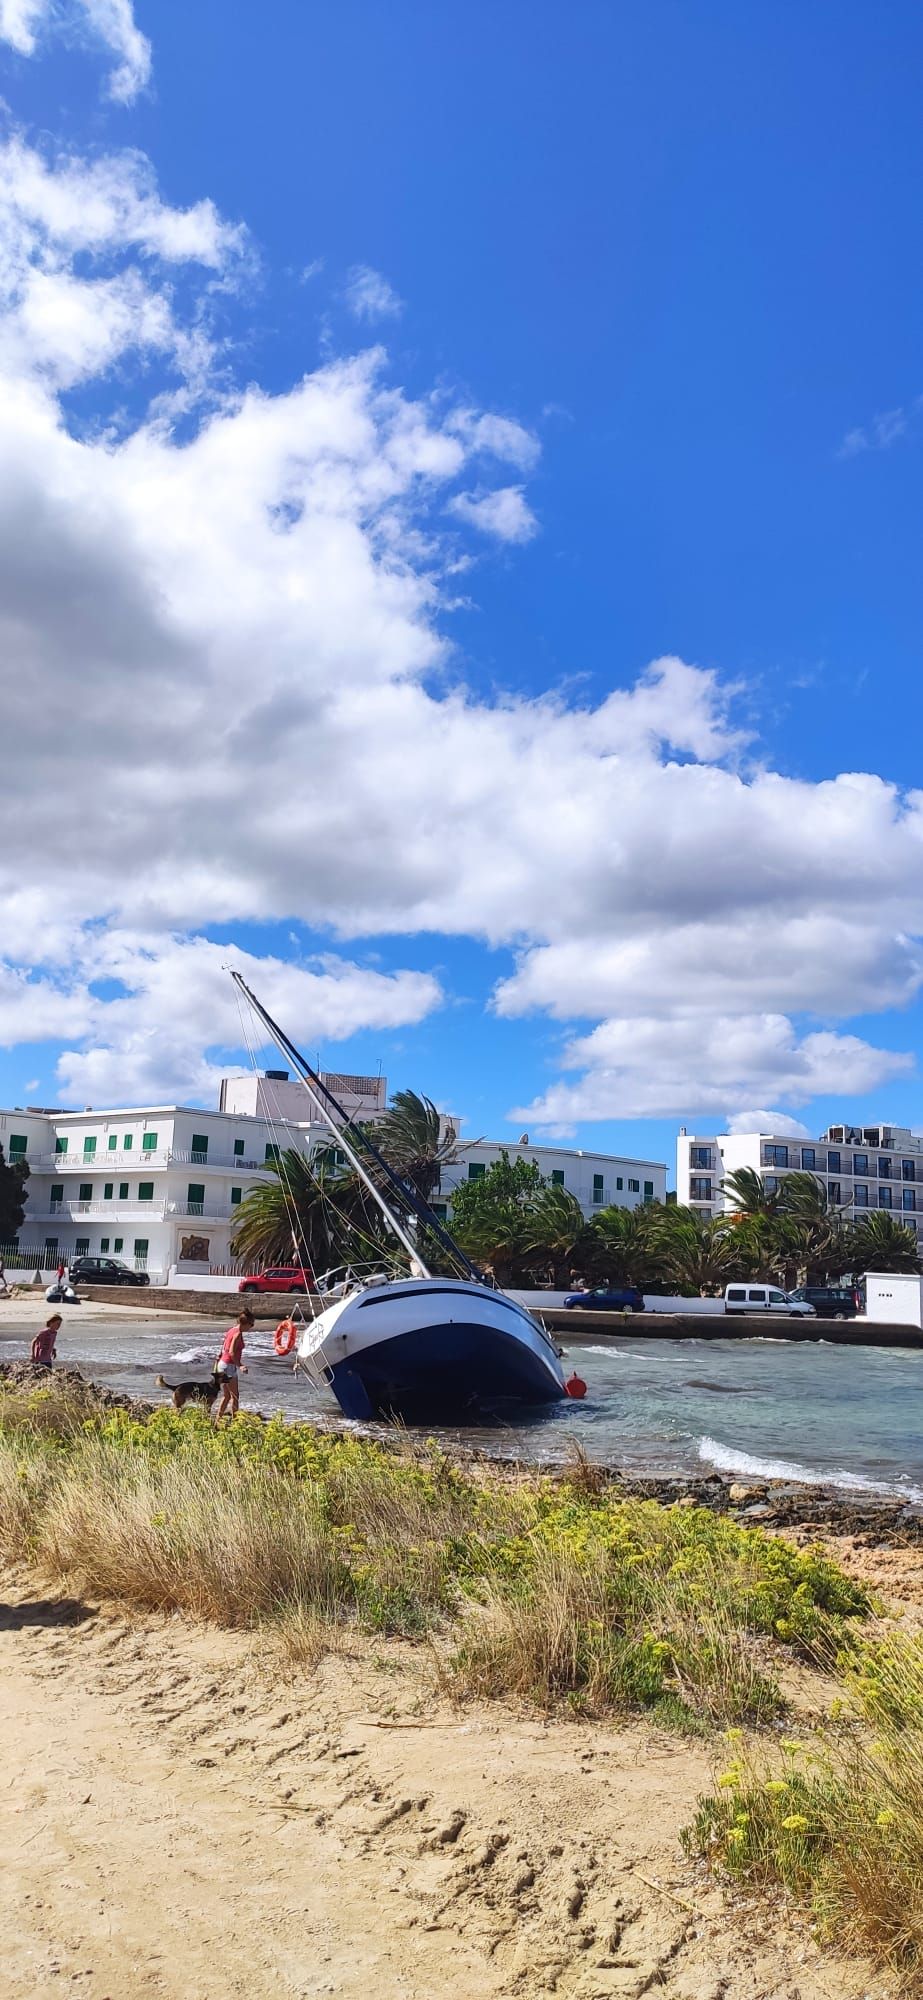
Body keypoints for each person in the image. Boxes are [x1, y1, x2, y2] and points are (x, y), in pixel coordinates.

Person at [214, 1308, 254, 1420]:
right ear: (245, 1323)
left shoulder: (231, 1330)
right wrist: (240, 1365)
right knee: (235, 1396)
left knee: (227, 1396)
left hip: (222, 1364)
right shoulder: (238, 1334)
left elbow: (224, 1347)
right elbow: (231, 1352)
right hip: (229, 1366)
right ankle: (235, 1421)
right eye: (251, 1325)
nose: (251, 1327)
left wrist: (219, 1359)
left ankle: (217, 1420)